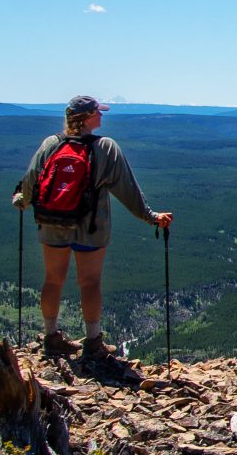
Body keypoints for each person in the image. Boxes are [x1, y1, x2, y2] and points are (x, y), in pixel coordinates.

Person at [12, 94, 173, 362]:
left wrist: (22, 201)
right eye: (98, 112)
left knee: (53, 279)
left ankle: (51, 337)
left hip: (52, 222)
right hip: (90, 226)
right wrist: (151, 217)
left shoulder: (51, 144)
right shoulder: (105, 147)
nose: (101, 116)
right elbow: (128, 190)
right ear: (87, 118)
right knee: (89, 282)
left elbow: (31, 179)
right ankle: (93, 341)